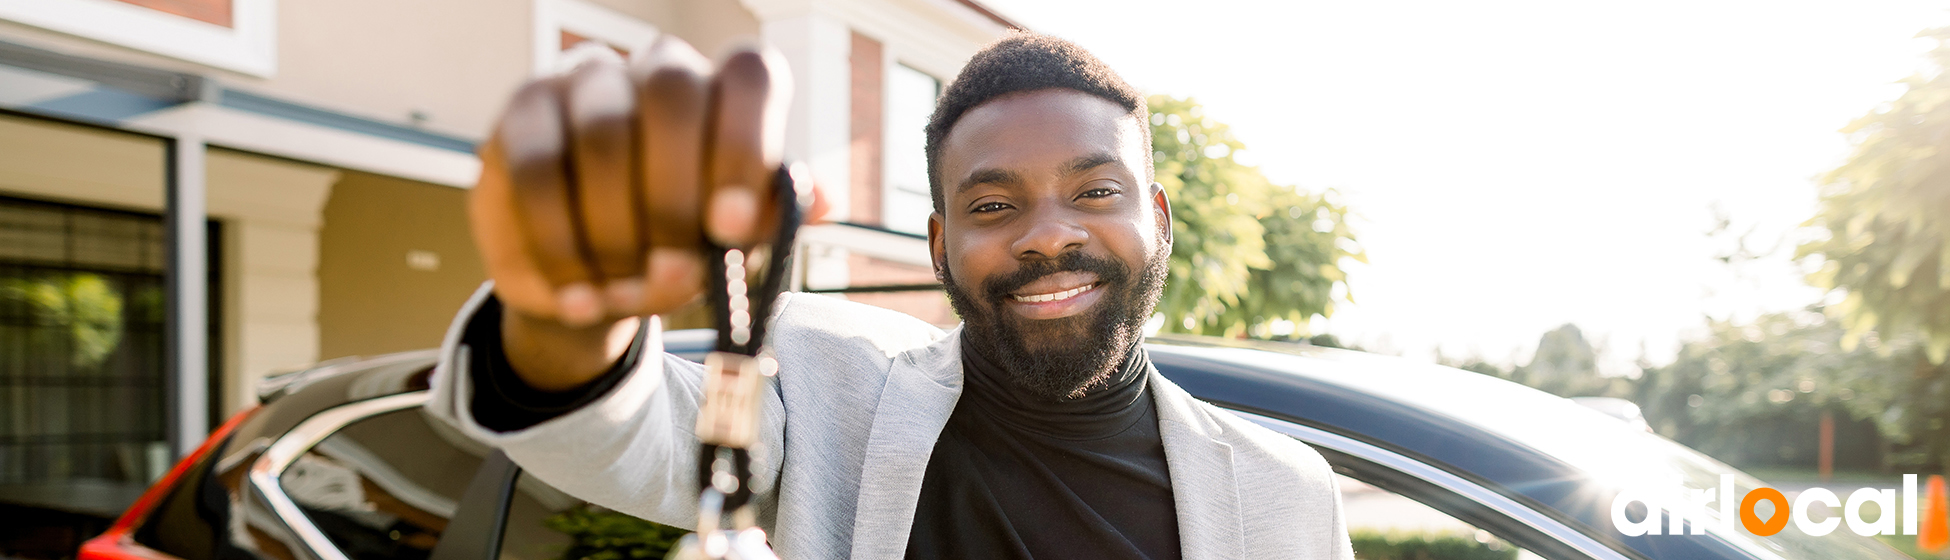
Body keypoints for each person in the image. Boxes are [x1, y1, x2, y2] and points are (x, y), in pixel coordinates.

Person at [430, 31, 1353, 559]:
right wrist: (568, 311)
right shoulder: (825, 387)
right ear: (942, 245)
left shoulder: (1286, 495)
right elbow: (628, 434)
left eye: (1095, 191)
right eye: (993, 205)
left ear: (1156, 214)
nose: (1047, 233)